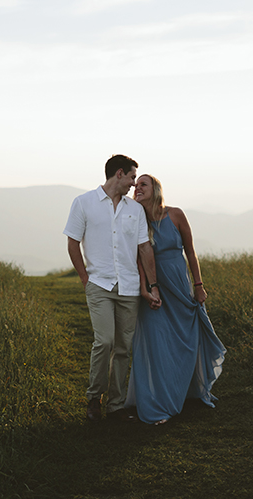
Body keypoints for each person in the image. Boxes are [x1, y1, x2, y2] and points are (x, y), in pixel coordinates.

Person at [63, 155, 159, 422]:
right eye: (131, 177)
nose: (133, 184)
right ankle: (94, 398)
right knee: (104, 341)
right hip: (99, 284)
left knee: (123, 347)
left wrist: (153, 285)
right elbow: (72, 243)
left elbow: (144, 248)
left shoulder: (135, 209)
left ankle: (115, 405)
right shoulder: (83, 203)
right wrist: (85, 278)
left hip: (129, 287)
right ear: (119, 174)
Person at [125, 174, 226, 425]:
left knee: (185, 340)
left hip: (179, 287)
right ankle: (159, 402)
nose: (137, 188)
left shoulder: (176, 215)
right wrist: (145, 289)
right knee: (156, 342)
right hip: (154, 289)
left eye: (143, 185)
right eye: (135, 186)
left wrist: (199, 285)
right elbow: (137, 259)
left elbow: (191, 252)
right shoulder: (136, 220)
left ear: (156, 189)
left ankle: (187, 389)